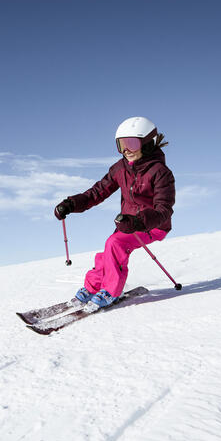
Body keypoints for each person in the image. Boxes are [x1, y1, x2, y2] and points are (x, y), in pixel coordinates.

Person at [54, 116, 175, 309]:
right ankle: (92, 287)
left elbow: (164, 209)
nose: (126, 150)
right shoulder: (120, 168)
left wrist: (138, 222)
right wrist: (71, 204)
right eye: (121, 145)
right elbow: (96, 193)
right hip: (127, 224)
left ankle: (111, 291)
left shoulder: (161, 172)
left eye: (132, 144)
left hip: (153, 225)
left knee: (115, 243)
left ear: (147, 143)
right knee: (107, 254)